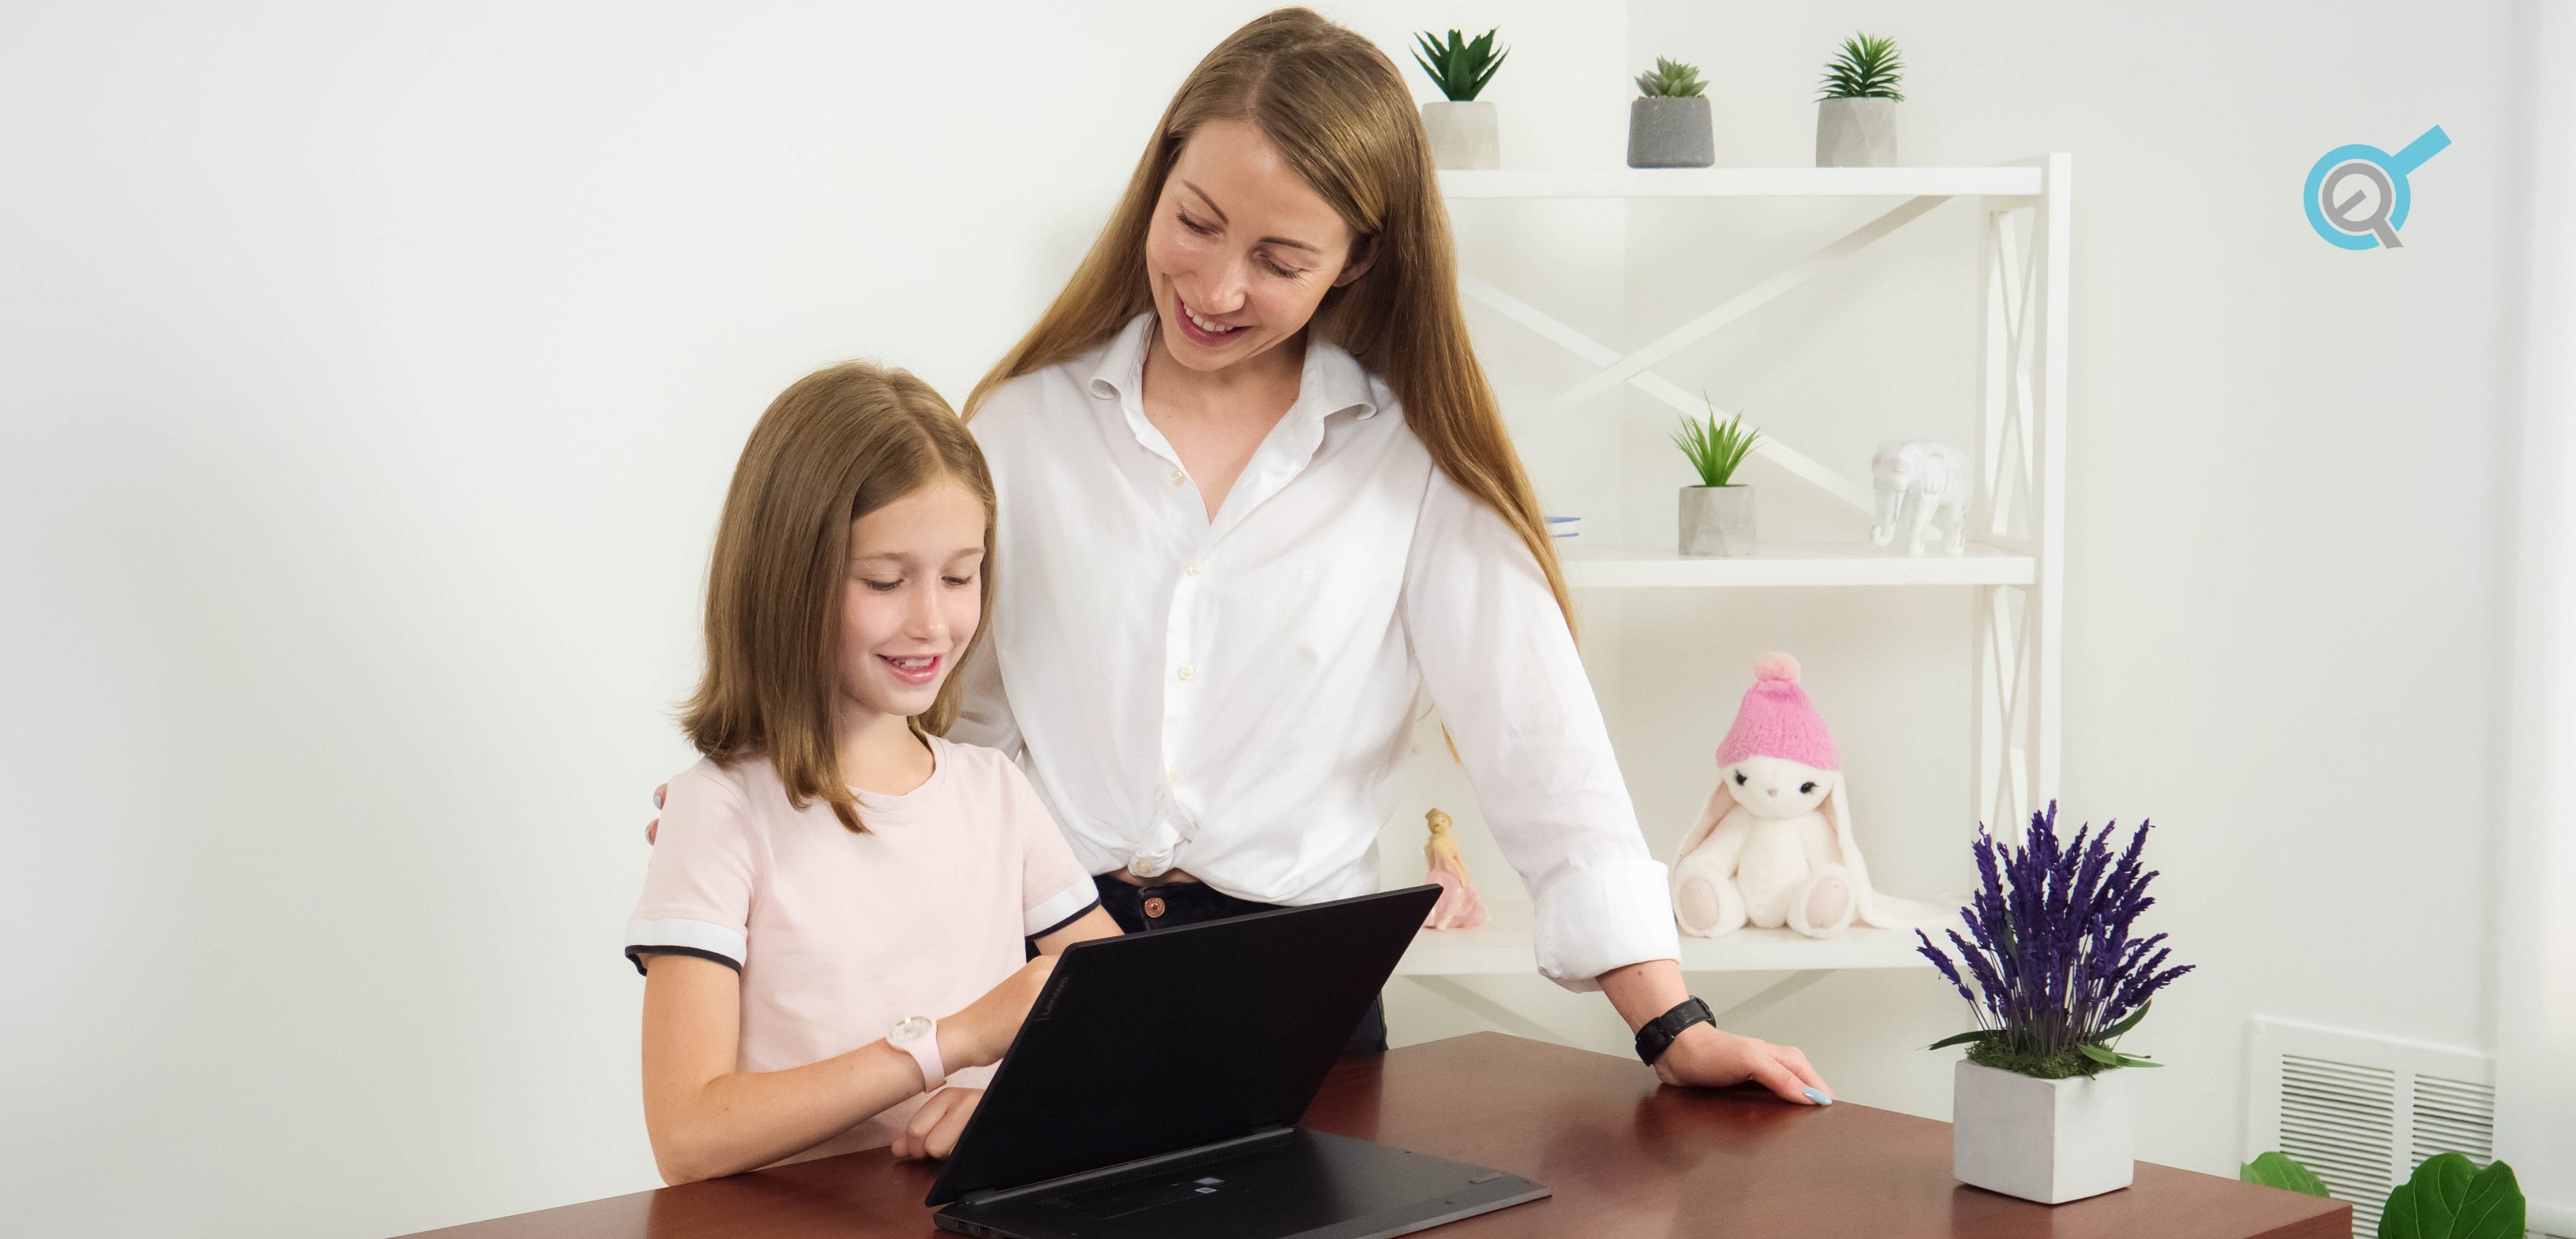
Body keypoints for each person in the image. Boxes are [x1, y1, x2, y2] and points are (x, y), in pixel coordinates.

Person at [948, 8, 1832, 1100]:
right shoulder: (1019, 431)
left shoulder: (1410, 462)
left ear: (1358, 261)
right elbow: (949, 732)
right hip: (1045, 964)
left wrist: (1675, 1028)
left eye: (1279, 259)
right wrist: (770, 792)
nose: (1217, 288)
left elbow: (1540, 742)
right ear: (1160, 173)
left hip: (1294, 995)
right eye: (1196, 222)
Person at [625, 362, 1120, 1184]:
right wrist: (948, 1042)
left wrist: (1020, 1104)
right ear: (789, 579)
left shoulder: (994, 791)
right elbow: (687, 1134)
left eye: (961, 576)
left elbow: (1133, 1020)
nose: (933, 619)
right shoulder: (719, 810)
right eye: (886, 580)